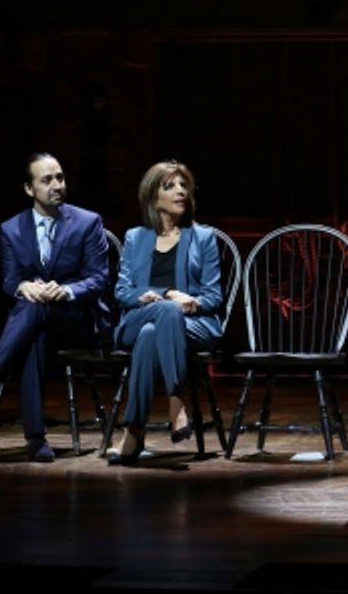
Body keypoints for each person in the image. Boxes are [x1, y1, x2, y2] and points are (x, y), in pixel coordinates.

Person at [0, 153, 109, 462]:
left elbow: (99, 279)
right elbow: (10, 280)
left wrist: (66, 290)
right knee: (34, 325)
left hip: (78, 321)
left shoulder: (88, 222)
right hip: (38, 323)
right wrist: (23, 287)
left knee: (35, 310)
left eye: (59, 177)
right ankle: (36, 439)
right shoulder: (11, 229)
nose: (57, 185)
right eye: (47, 180)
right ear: (29, 189)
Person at [109, 161, 222, 466]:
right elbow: (122, 293)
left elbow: (214, 297)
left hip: (192, 324)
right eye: (170, 186)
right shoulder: (136, 237)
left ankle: (133, 431)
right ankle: (176, 401)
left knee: (155, 328)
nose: (180, 191)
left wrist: (193, 303)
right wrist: (164, 294)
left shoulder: (204, 237)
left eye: (184, 185)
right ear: (151, 196)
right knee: (162, 312)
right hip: (139, 318)